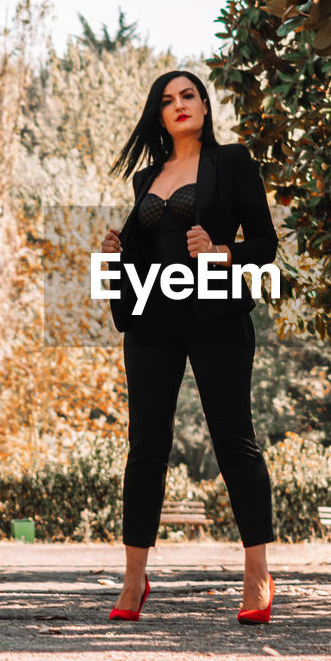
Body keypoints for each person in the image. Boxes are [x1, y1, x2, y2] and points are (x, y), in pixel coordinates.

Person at [100, 69, 278, 624]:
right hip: (154, 314)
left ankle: (257, 575)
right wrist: (114, 254)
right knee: (145, 446)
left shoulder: (233, 163)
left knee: (233, 439)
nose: (179, 105)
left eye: (189, 95)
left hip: (216, 314)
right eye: (168, 100)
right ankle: (134, 581)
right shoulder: (146, 178)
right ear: (158, 114)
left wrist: (222, 251)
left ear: (205, 104)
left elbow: (266, 245)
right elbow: (142, 252)